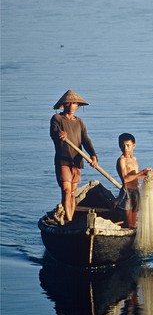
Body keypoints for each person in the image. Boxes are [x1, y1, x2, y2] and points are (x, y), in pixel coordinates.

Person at [50, 90, 98, 223]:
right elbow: (54, 134)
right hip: (63, 160)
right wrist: (60, 136)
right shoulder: (57, 119)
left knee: (72, 193)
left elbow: (86, 140)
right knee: (66, 190)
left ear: (77, 106)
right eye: (69, 103)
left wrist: (93, 155)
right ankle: (69, 220)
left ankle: (69, 217)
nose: (72, 106)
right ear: (64, 105)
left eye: (74, 104)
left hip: (76, 160)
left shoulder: (79, 122)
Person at [116, 133, 153, 228]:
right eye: (122, 145)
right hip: (127, 192)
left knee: (133, 222)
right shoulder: (121, 160)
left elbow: (135, 177)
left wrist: (149, 174)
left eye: (128, 145)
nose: (125, 148)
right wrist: (142, 172)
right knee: (129, 224)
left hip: (135, 192)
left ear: (134, 146)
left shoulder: (134, 159)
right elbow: (125, 179)